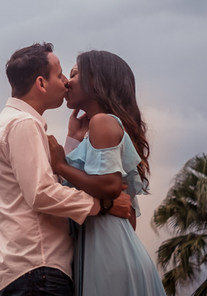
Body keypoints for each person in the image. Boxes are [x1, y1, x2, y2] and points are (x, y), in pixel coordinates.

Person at [0, 43, 132, 296]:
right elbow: (41, 193)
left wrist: (72, 140)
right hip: (38, 270)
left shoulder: (9, 123)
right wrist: (103, 204)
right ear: (41, 83)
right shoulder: (23, 124)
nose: (66, 82)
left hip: (29, 270)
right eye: (61, 74)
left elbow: (43, 184)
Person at [47, 50, 166, 296]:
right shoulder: (101, 127)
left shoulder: (102, 121)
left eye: (75, 74)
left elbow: (110, 187)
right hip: (112, 249)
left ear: (96, 80)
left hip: (108, 255)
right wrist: (73, 137)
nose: (67, 82)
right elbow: (127, 214)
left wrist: (60, 165)